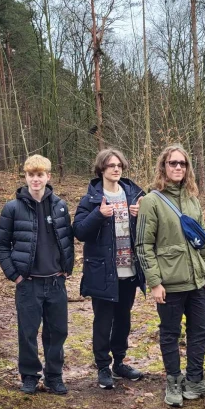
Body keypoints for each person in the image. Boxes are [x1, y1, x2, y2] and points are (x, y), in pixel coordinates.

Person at [135, 144, 205, 407]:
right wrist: (154, 282)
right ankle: (174, 381)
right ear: (163, 166)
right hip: (170, 283)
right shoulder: (152, 201)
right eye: (173, 163)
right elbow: (143, 245)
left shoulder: (192, 199)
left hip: (197, 280)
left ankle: (195, 379)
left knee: (200, 331)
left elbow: (204, 241)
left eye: (182, 164)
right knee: (170, 333)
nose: (177, 168)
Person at [0, 155, 75, 395]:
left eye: (40, 175)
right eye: (31, 175)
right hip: (28, 283)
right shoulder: (13, 208)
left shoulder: (60, 206)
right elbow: (0, 245)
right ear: (26, 177)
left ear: (48, 177)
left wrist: (66, 269)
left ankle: (54, 376)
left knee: (58, 331)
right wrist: (15, 275)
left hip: (55, 281)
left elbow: (68, 240)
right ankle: (30, 376)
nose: (35, 179)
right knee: (28, 332)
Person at [74, 148, 146, 389]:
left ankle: (119, 363)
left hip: (129, 271)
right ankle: (103, 367)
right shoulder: (91, 199)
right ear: (101, 169)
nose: (116, 169)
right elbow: (79, 232)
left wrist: (142, 215)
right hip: (103, 272)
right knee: (103, 322)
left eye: (119, 165)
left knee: (123, 320)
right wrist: (99, 214)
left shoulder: (136, 196)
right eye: (111, 165)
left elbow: (150, 231)